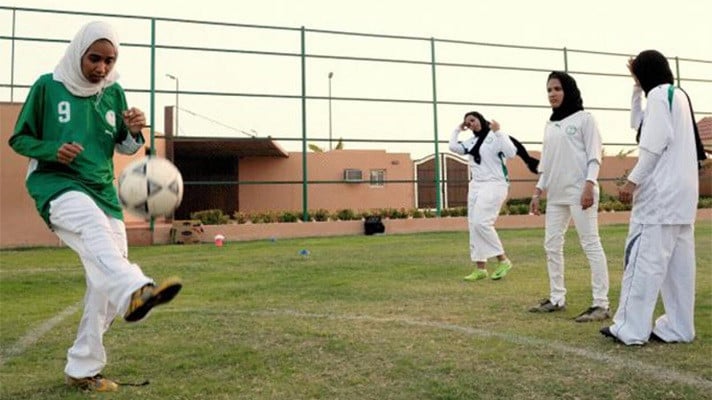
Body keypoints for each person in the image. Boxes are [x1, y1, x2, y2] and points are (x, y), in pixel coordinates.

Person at [9, 21, 182, 392]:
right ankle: (138, 289)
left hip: (103, 191)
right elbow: (19, 138)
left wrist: (135, 130)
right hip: (56, 184)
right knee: (95, 232)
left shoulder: (113, 92)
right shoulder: (47, 87)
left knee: (104, 280)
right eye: (94, 58)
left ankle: (82, 368)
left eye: (109, 60)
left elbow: (123, 146)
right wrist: (51, 150)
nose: (101, 68)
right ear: (78, 53)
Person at [600, 50, 705, 345]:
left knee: (643, 262)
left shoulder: (659, 96)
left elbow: (653, 145)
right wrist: (636, 88)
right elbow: (639, 125)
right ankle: (679, 327)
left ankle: (630, 329)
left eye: (637, 74)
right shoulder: (676, 96)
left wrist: (632, 183)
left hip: (659, 198)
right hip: (682, 199)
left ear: (645, 71)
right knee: (679, 270)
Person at [528, 71, 610, 323]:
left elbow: (594, 156)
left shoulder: (585, 119)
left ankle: (601, 304)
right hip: (556, 195)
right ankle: (556, 298)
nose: (552, 94)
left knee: (590, 244)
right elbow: (547, 162)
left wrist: (589, 185)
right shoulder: (550, 125)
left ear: (569, 90)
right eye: (549, 90)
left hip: (580, 191)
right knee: (551, 245)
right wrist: (537, 191)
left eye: (557, 89)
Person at [449, 111, 538, 281]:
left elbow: (511, 153)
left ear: (480, 119)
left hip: (495, 184)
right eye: (467, 123)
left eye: (473, 120)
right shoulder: (471, 141)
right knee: (473, 225)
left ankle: (503, 260)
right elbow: (454, 147)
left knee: (482, 223)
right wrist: (457, 130)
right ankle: (480, 268)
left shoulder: (495, 136)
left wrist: (498, 131)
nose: (471, 124)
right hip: (476, 185)